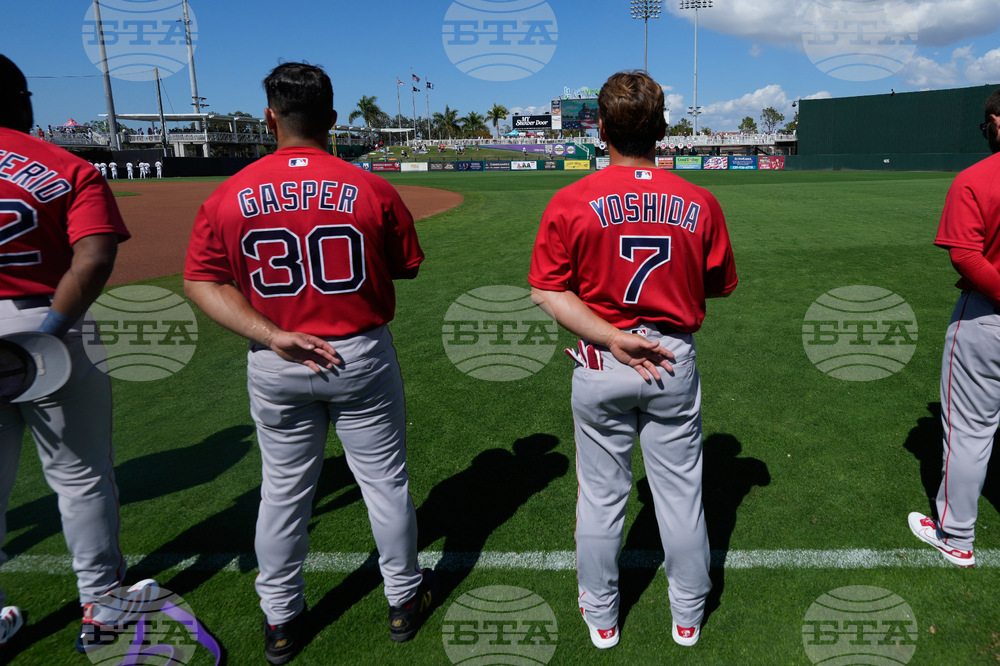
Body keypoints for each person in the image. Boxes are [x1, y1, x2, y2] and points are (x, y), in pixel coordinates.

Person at [184, 61, 434, 664]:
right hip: (360, 355)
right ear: (333, 118)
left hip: (277, 355)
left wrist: (270, 333)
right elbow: (406, 265)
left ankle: (282, 621)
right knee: (385, 485)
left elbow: (201, 282)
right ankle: (403, 600)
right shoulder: (371, 186)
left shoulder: (227, 193)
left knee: (283, 494)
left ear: (270, 117)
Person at [528, 70, 738, 649]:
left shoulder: (572, 199)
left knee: (601, 497)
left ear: (598, 128)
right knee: (680, 496)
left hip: (602, 357)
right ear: (663, 128)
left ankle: (601, 616)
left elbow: (547, 290)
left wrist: (610, 333)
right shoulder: (698, 200)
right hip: (671, 356)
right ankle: (688, 614)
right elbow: (719, 285)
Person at [0, 54, 156, 653]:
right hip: (48, 322)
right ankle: (103, 606)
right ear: (22, 99)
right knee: (81, 476)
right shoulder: (64, 165)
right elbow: (93, 258)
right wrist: (50, 331)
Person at [908, 88, 1000, 568]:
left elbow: (965, 253)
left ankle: (957, 537)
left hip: (988, 317)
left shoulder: (977, 178)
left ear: (996, 122)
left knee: (969, 430)